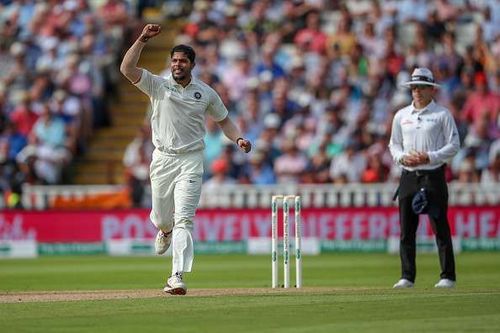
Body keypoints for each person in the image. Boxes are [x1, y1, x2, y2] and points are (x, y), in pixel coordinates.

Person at [120, 24, 252, 295]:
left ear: (192, 64)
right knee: (162, 218)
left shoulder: (205, 93)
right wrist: (142, 39)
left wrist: (238, 138)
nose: (177, 64)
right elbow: (127, 69)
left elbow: (224, 120)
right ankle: (164, 230)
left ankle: (176, 276)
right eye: (174, 60)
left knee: (185, 219)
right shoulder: (158, 85)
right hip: (163, 159)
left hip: (191, 159)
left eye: (183, 61)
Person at [388, 67, 460, 289]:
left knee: (440, 227)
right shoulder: (401, 115)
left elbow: (454, 145)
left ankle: (447, 276)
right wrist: (402, 159)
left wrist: (430, 156)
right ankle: (407, 276)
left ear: (431, 90)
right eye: (413, 87)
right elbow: (394, 144)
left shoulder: (442, 115)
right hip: (409, 176)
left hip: (433, 176)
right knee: (406, 229)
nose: (416, 91)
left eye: (421, 87)